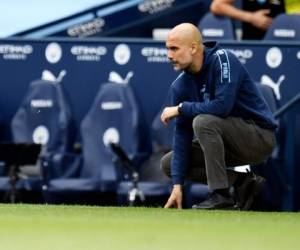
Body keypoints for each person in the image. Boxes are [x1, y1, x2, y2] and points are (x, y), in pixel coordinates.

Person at [160, 23, 277, 210]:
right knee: (168, 164)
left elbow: (222, 106)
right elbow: (182, 134)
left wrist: (182, 108)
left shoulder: (224, 60)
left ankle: (220, 195)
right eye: (167, 49)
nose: (169, 55)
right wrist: (177, 186)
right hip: (226, 143)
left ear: (193, 47)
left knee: (203, 121)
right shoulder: (179, 86)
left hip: (259, 137)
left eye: (174, 48)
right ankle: (242, 181)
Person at [210, 0, 285, 40]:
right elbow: (216, 6)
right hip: (249, 43)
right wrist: (251, 17)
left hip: (281, 41)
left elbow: (296, 12)